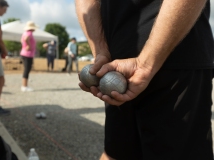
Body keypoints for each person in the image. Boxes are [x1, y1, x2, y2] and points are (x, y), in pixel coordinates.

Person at [76, 0, 214, 160]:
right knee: (117, 153)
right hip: (134, 65)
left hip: (123, 63)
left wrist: (101, 52)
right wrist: (144, 64)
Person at [20, 21, 38, 92]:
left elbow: (22, 40)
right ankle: (24, 86)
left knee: (26, 69)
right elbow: (26, 39)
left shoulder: (24, 33)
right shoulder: (29, 33)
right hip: (28, 54)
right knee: (27, 70)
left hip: (24, 53)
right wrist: (29, 46)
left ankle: (24, 84)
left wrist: (24, 46)